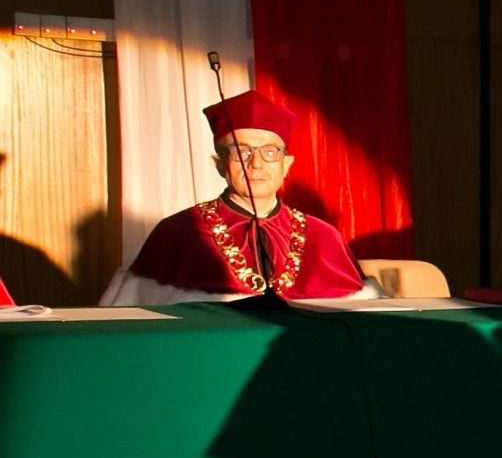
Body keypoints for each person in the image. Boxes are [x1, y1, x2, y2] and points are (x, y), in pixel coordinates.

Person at [103, 90, 369, 305]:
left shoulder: (323, 237)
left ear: (286, 164)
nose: (255, 164)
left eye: (270, 152)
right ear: (219, 164)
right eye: (241, 152)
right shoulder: (177, 233)